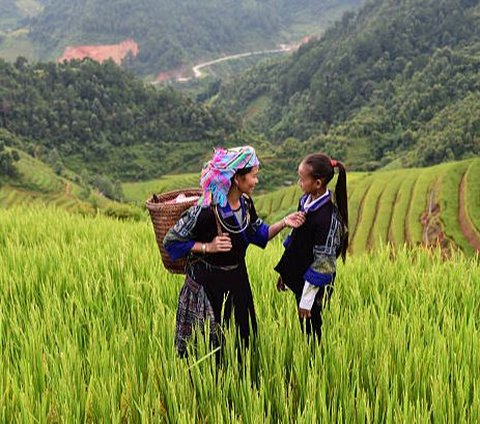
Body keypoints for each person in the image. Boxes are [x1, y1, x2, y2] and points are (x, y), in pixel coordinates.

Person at [163, 146, 305, 357]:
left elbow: (260, 234)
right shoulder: (205, 209)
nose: (256, 181)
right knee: (210, 347)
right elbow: (171, 241)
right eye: (254, 176)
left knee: (242, 341)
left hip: (237, 281)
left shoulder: (246, 205)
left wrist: (284, 222)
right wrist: (207, 247)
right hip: (208, 286)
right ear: (237, 178)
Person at [274, 153, 348, 342]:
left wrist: (307, 299)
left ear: (318, 183)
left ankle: (317, 366)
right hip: (300, 276)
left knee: (313, 331)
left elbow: (324, 262)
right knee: (304, 327)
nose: (299, 183)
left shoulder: (328, 218)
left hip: (314, 286)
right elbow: (296, 239)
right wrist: (285, 272)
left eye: (302, 179)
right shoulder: (304, 202)